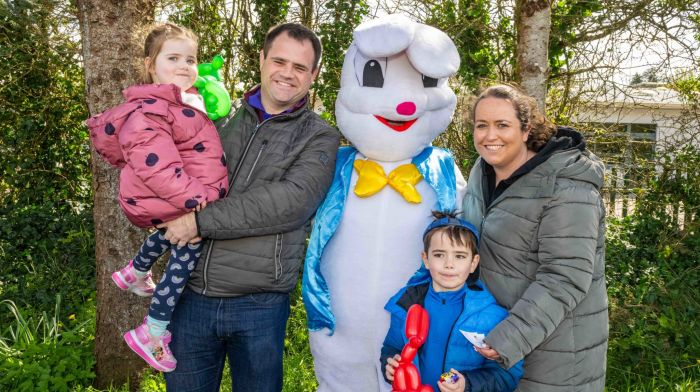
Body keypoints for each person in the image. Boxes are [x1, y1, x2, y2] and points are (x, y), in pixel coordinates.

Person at [155, 23, 341, 391]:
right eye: (280, 61)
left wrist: (198, 221)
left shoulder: (320, 136)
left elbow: (290, 203)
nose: (287, 73)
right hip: (190, 295)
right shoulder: (215, 117)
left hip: (259, 304)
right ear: (262, 59)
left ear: (314, 75)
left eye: (300, 67)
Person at [86, 22, 228, 372]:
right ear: (151, 65)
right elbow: (157, 167)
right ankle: (152, 331)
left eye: (191, 59)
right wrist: (198, 201)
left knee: (174, 233)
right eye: (173, 58)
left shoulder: (179, 102)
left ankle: (135, 270)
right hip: (168, 193)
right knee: (187, 251)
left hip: (167, 194)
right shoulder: (151, 108)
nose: (185, 66)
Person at [461, 84, 608, 391]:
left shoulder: (566, 186)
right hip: (491, 342)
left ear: (526, 129)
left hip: (554, 356)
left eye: (503, 125)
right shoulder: (481, 171)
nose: (490, 136)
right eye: (481, 125)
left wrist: (509, 337)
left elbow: (565, 277)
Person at [380, 211, 523, 392]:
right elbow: (391, 346)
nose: (449, 264)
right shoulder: (406, 304)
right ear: (426, 259)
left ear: (473, 263)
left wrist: (466, 383)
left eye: (460, 256)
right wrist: (390, 364)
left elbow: (507, 375)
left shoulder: (493, 316)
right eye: (439, 255)